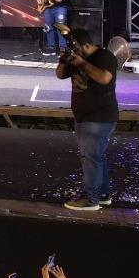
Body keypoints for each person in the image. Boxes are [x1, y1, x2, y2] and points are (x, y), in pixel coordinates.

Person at [55, 26, 119, 211]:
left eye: (75, 47)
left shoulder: (105, 57)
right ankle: (103, 193)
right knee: (96, 156)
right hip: (83, 116)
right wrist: (64, 60)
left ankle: (91, 199)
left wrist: (82, 63)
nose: (73, 51)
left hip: (100, 116)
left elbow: (105, 78)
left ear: (86, 45)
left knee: (90, 157)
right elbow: (60, 75)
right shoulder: (75, 57)